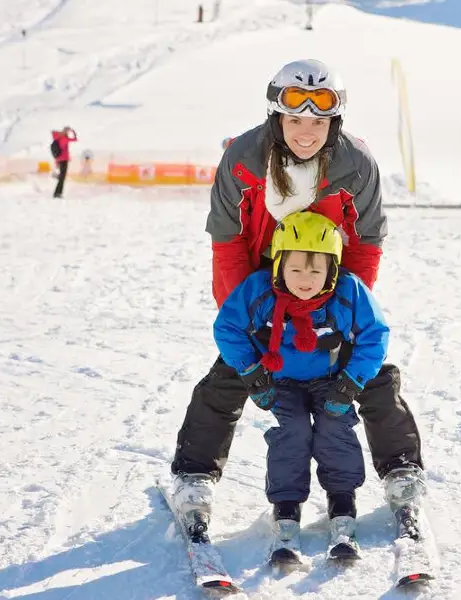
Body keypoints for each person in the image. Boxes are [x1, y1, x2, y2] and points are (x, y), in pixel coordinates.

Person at [170, 59, 426, 543]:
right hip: (267, 285)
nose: (306, 131)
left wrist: (344, 311)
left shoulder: (356, 164)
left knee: (375, 377)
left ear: (334, 123)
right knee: (225, 380)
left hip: (329, 286)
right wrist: (248, 318)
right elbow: (227, 241)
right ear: (276, 118)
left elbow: (365, 243)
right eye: (294, 120)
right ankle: (194, 476)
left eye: (318, 121)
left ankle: (402, 473)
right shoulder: (243, 160)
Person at [213, 211, 388, 561]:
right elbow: (227, 327)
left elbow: (375, 335)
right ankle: (287, 507)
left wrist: (351, 383)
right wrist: (251, 372)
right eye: (294, 270)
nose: (304, 280)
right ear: (278, 266)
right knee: (290, 432)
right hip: (281, 381)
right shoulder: (259, 290)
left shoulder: (348, 291)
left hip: (331, 382)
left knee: (334, 426)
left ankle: (342, 501)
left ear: (331, 271)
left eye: (315, 271)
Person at [50, 126, 77, 198]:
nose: (68, 133)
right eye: (67, 131)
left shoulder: (59, 138)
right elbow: (75, 139)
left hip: (59, 159)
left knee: (62, 176)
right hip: (64, 160)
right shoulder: (65, 139)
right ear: (66, 132)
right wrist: (73, 132)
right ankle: (57, 193)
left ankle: (57, 190)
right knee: (62, 177)